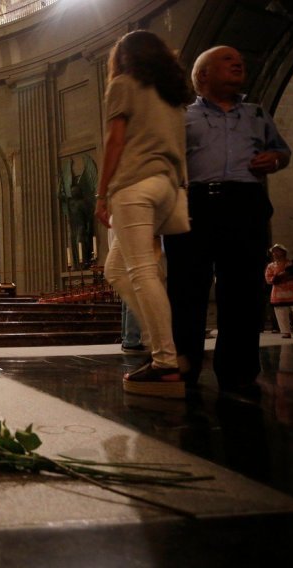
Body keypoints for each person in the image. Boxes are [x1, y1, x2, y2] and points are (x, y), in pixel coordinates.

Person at [163, 46, 291, 399]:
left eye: (240, 59)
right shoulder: (181, 117)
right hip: (195, 205)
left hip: (245, 203)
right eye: (227, 59)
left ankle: (239, 371)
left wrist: (276, 160)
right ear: (203, 75)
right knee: (186, 289)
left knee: (245, 291)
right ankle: (183, 365)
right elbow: (165, 162)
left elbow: (282, 151)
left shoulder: (257, 114)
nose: (239, 62)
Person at [95, 30, 194, 398]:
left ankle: (166, 362)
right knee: (116, 270)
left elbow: (115, 140)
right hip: (167, 187)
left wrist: (101, 193)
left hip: (134, 185)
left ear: (124, 57)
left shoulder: (123, 83)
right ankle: (160, 344)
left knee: (141, 271)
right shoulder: (172, 96)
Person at [265, 244, 293, 338]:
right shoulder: (271, 266)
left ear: (283, 252)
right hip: (278, 292)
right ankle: (285, 331)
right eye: (273, 252)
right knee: (281, 312)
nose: (274, 253)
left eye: (277, 251)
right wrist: (279, 276)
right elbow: (268, 279)